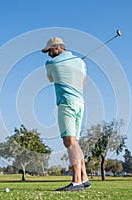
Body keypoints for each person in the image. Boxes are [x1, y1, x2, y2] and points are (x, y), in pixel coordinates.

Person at [42, 37, 91, 191]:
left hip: (66, 103)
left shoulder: (51, 63)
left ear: (57, 48)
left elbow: (51, 78)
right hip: (80, 104)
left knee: (69, 142)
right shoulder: (81, 62)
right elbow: (83, 83)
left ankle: (76, 182)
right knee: (75, 141)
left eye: (50, 51)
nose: (48, 54)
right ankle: (84, 177)